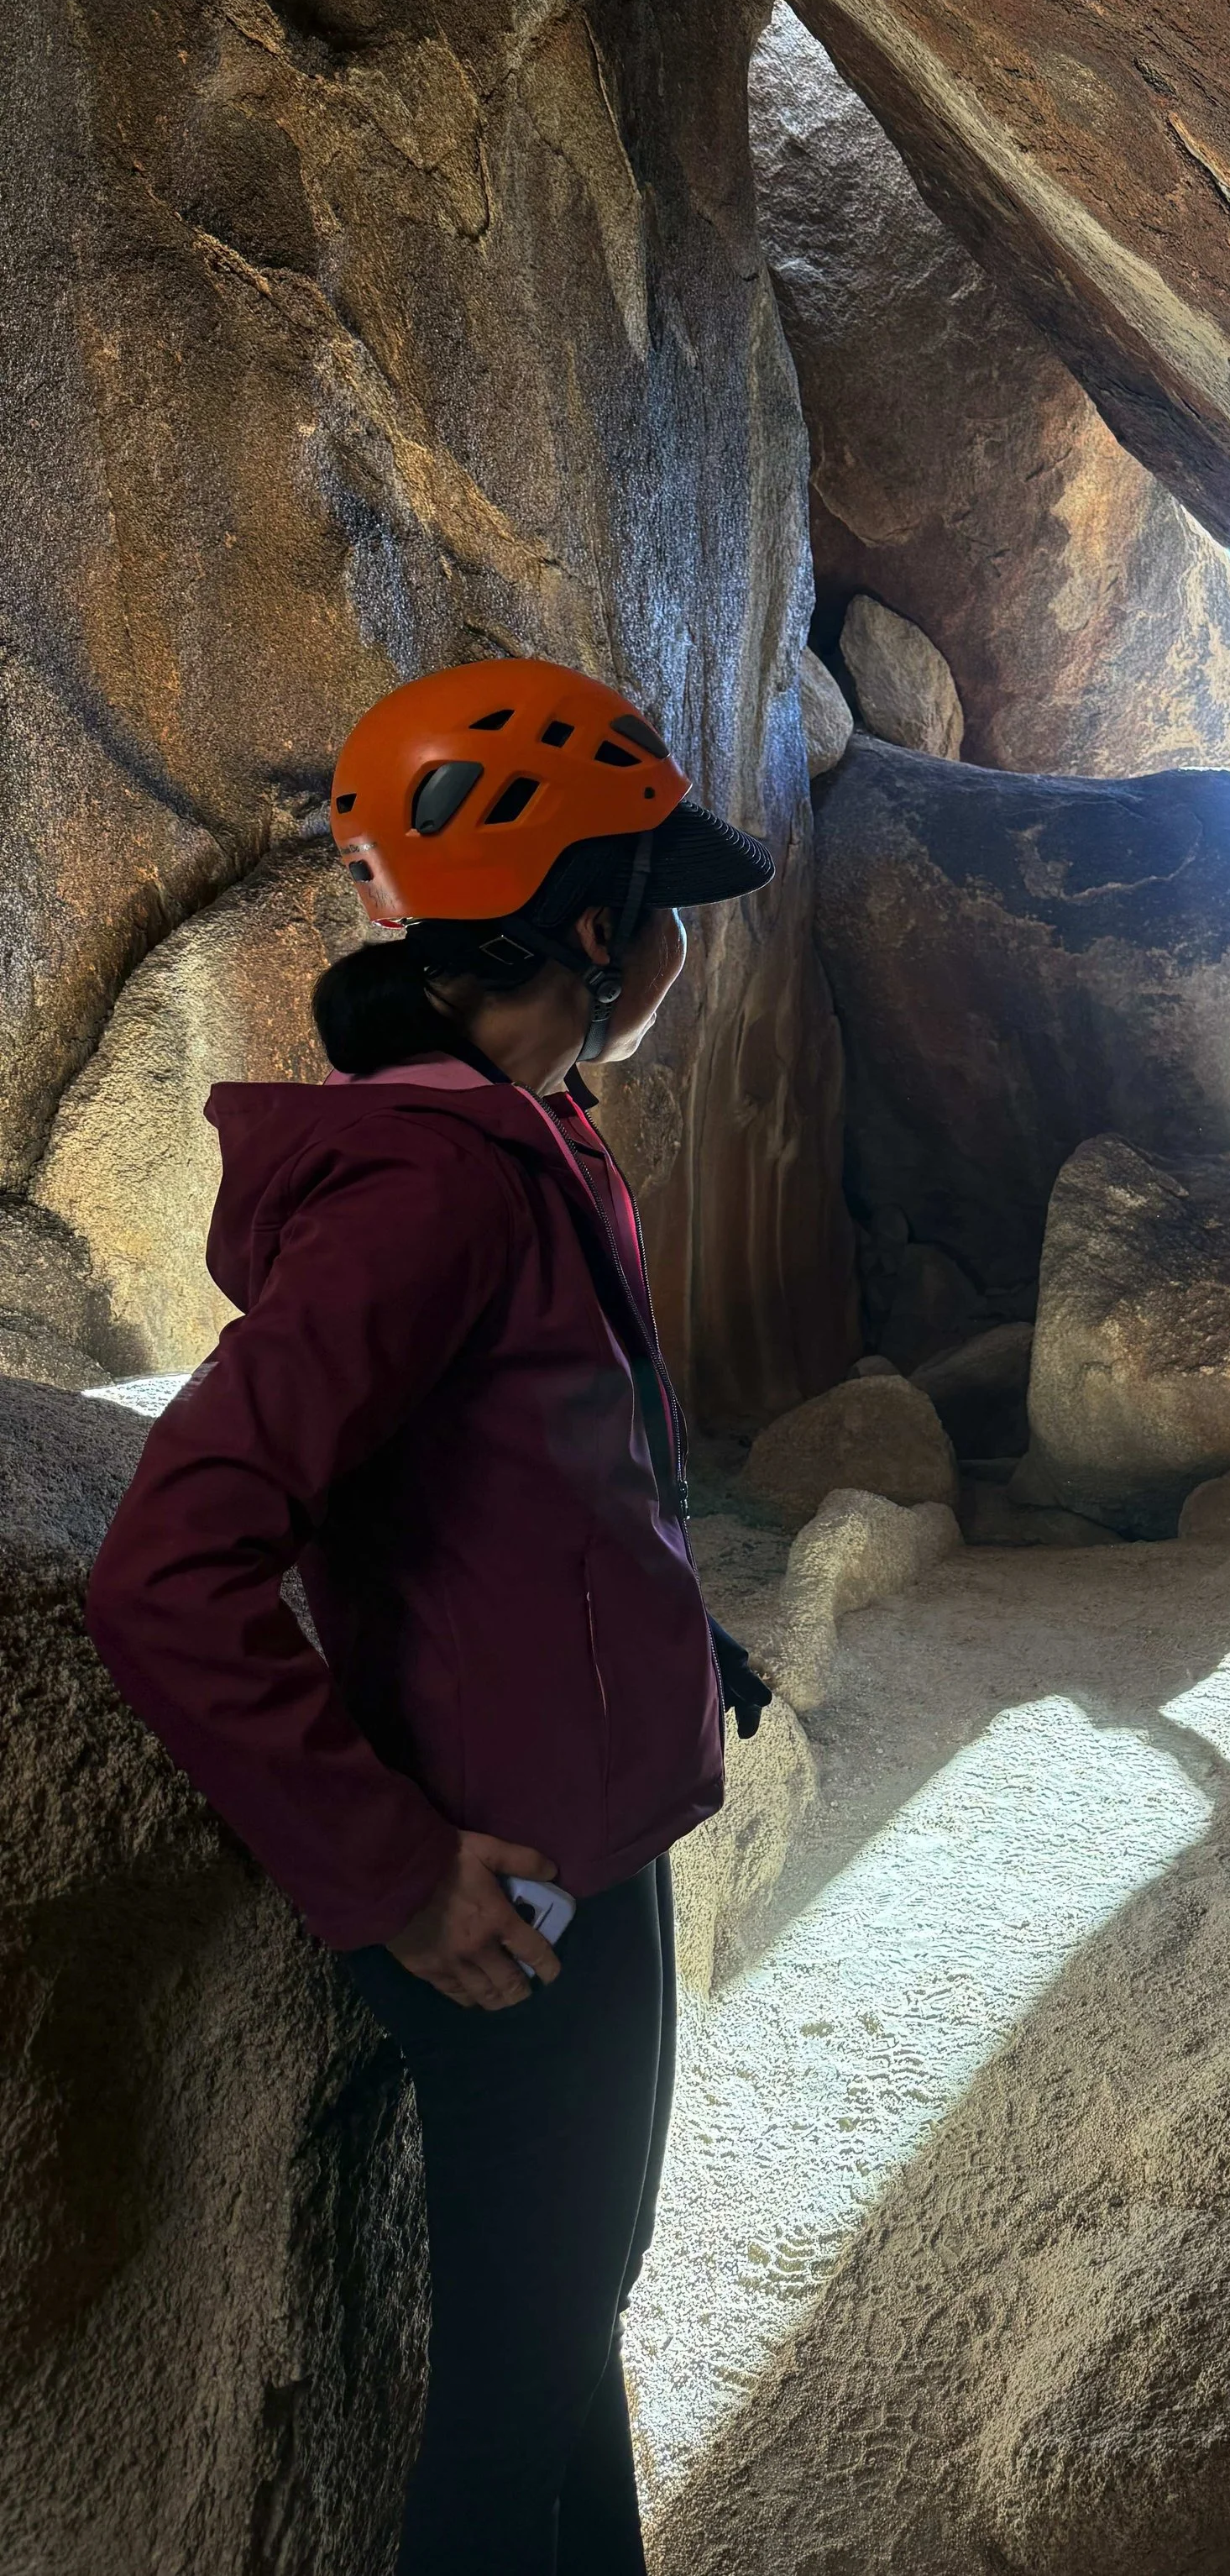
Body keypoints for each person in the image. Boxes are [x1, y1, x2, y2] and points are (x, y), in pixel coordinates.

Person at [86, 657, 777, 2576]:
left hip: (577, 1836)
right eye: (669, 910)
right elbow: (171, 1564)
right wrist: (391, 1869)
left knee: (567, 2318)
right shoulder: (432, 1192)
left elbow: (529, 1490)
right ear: (588, 926)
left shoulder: (522, 1147)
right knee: (519, 2366)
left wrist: (679, 1655)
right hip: (513, 1893)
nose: (684, 950)